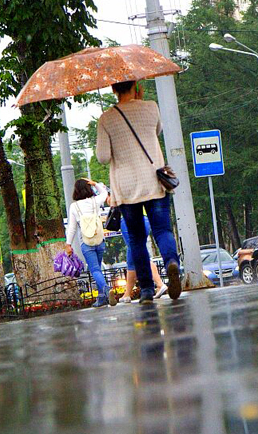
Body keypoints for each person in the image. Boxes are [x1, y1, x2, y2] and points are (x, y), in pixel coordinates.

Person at [96, 80, 181, 304]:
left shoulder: (106, 118)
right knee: (162, 230)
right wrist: (140, 100)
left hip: (126, 187)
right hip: (154, 181)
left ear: (114, 89)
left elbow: (103, 157)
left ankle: (145, 290)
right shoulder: (151, 107)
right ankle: (172, 263)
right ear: (136, 85)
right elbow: (157, 130)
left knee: (136, 238)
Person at [65, 179, 112, 308]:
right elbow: (104, 193)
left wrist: (68, 244)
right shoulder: (95, 201)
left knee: (95, 269)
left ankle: (106, 290)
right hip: (100, 240)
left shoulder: (74, 206)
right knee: (98, 270)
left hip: (86, 242)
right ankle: (101, 298)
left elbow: (72, 227)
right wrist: (95, 183)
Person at [119, 214, 168, 302]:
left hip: (128, 217)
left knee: (136, 250)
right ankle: (127, 294)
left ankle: (159, 284)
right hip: (145, 218)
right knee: (136, 253)